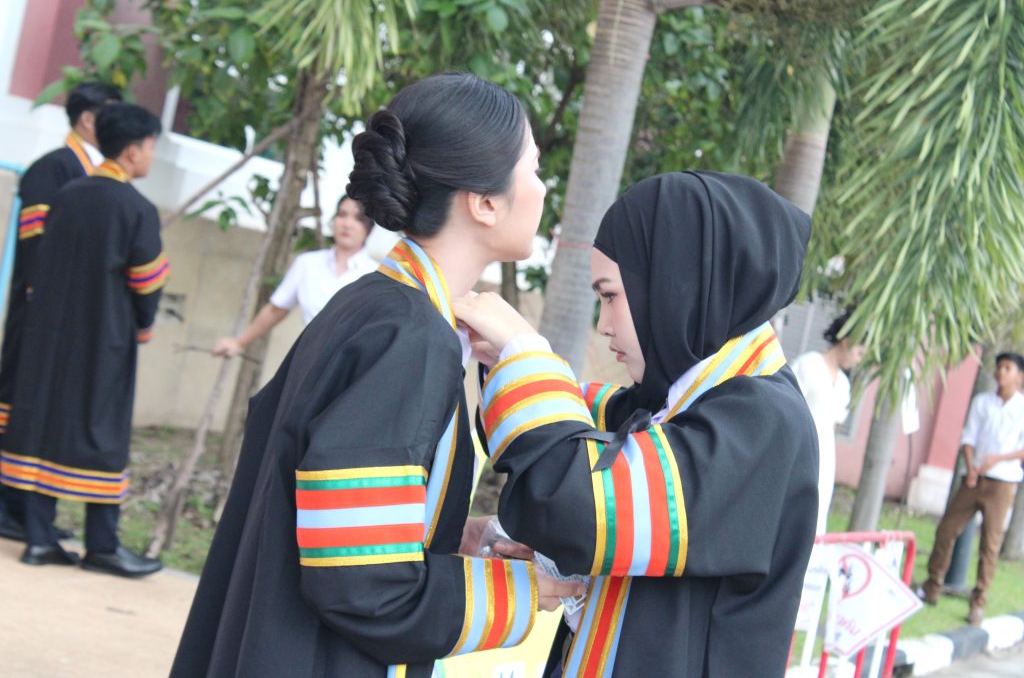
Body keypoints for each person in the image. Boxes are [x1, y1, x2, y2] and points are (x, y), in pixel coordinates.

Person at [171, 72, 582, 678]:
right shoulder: (412, 338)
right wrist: (522, 593)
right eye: (535, 169)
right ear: (485, 202)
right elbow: (362, 583)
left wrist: (446, 534)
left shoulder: (372, 306)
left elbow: (327, 512)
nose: (543, 189)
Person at [454, 171, 819, 677]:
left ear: (676, 287)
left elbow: (577, 501)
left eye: (611, 297)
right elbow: (572, 428)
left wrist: (525, 356)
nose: (604, 325)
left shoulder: (762, 423)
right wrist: (507, 362)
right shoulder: (685, 400)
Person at [0, 102, 167, 577]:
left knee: (44, 422)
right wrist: (143, 325)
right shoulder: (136, 208)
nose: (152, 155)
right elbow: (147, 281)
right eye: (151, 146)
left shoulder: (66, 196)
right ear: (132, 151)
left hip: (49, 333)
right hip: (104, 336)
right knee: (103, 430)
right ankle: (102, 545)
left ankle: (39, 539)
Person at [0, 81, 123, 541]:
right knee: (18, 397)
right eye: (109, 113)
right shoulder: (53, 168)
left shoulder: (97, 174)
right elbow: (36, 246)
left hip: (69, 317)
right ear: (88, 118)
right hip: (39, 313)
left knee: (45, 405)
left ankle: (26, 509)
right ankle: (6, 506)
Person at [918, 352, 1024, 626]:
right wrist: (971, 466)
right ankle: (932, 585)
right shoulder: (982, 402)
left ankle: (978, 602)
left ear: (1020, 376)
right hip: (973, 478)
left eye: (1008, 368)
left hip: (1002, 483)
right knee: (947, 529)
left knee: (990, 544)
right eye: (999, 367)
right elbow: (969, 437)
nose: (1001, 372)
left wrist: (997, 459)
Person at [212, 195, 376, 358]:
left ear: (369, 228)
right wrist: (239, 342)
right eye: (342, 214)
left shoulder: (376, 274)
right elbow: (277, 309)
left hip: (354, 363)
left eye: (358, 218)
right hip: (310, 357)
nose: (347, 224)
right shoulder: (308, 263)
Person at [791, 310, 866, 534]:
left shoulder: (843, 384)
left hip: (824, 458)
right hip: (797, 451)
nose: (858, 359)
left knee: (815, 516)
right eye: (859, 352)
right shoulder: (808, 364)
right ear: (846, 343)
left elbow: (832, 426)